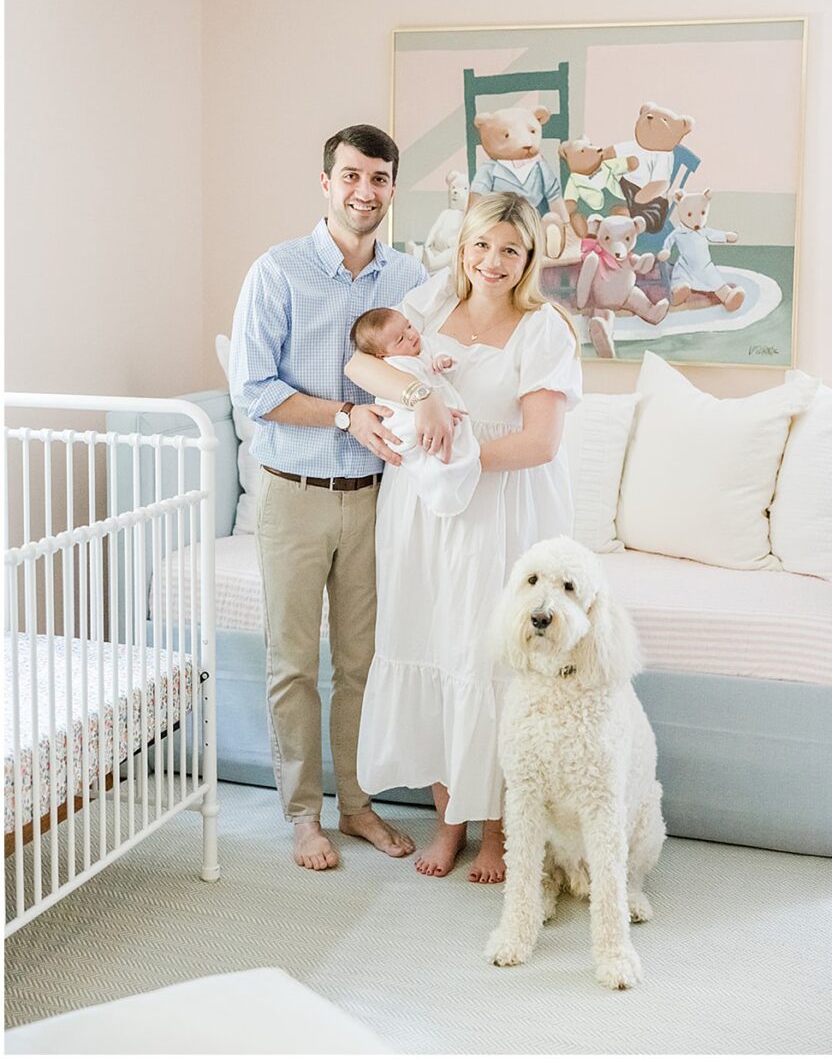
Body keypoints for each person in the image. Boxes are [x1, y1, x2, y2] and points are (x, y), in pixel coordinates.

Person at [354, 189, 581, 882]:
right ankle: (447, 822)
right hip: (423, 513)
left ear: (528, 258)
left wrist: (459, 455)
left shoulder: (545, 329)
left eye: (510, 249)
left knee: (492, 664)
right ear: (463, 249)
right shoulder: (425, 305)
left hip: (500, 509)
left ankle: (498, 833)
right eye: (482, 245)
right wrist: (420, 402)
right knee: (434, 646)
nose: (493, 260)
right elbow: (361, 366)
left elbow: (540, 442)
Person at [228, 124, 426, 872]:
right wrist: (348, 414)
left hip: (378, 497)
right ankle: (303, 816)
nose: (363, 191)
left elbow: (432, 367)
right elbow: (256, 391)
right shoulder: (277, 272)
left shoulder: (409, 279)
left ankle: (360, 807)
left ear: (392, 189)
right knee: (291, 663)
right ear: (326, 183)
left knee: (364, 662)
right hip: (294, 493)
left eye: (377, 178)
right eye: (350, 176)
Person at [346, 306, 482, 518]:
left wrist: (442, 361)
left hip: (438, 407)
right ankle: (438, 481)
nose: (411, 335)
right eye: (400, 340)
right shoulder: (394, 364)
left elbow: (445, 358)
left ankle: (447, 477)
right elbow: (394, 401)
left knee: (454, 444)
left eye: (408, 326)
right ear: (382, 354)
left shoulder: (422, 346)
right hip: (404, 413)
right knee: (408, 434)